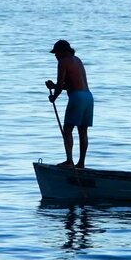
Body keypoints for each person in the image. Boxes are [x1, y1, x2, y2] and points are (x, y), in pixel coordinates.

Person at [46, 40, 94, 169]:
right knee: (82, 131)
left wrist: (54, 97)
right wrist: (55, 86)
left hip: (77, 97)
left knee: (67, 129)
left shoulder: (63, 62)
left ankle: (69, 161)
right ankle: (81, 163)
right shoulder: (77, 60)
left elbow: (61, 84)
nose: (56, 56)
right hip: (88, 97)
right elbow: (71, 84)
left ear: (64, 51)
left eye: (57, 53)